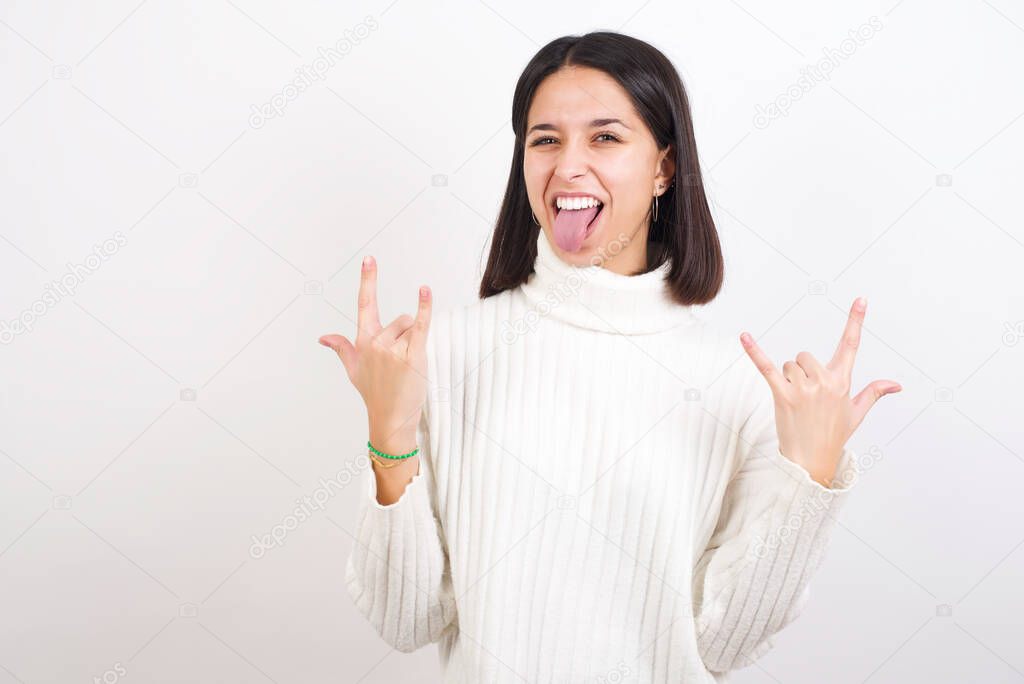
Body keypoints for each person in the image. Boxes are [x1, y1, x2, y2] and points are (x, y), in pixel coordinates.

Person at [319, 30, 901, 683]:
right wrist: (389, 433)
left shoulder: (739, 387)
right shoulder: (442, 356)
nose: (568, 166)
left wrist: (810, 476)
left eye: (605, 137)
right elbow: (407, 621)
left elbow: (724, 644)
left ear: (664, 168)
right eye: (545, 140)